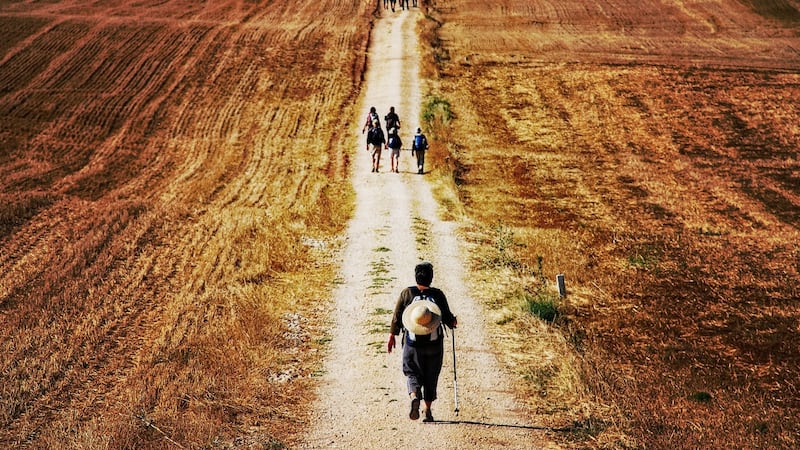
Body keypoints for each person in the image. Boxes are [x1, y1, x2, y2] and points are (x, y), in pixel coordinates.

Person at [387, 262, 457, 423]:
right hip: (434, 345)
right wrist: (453, 322)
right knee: (431, 375)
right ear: (431, 278)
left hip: (412, 345)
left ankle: (414, 395)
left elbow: (397, 316)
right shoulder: (437, 295)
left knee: (412, 372)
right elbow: (447, 318)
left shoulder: (407, 293)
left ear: (415, 276)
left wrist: (392, 335)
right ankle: (427, 410)